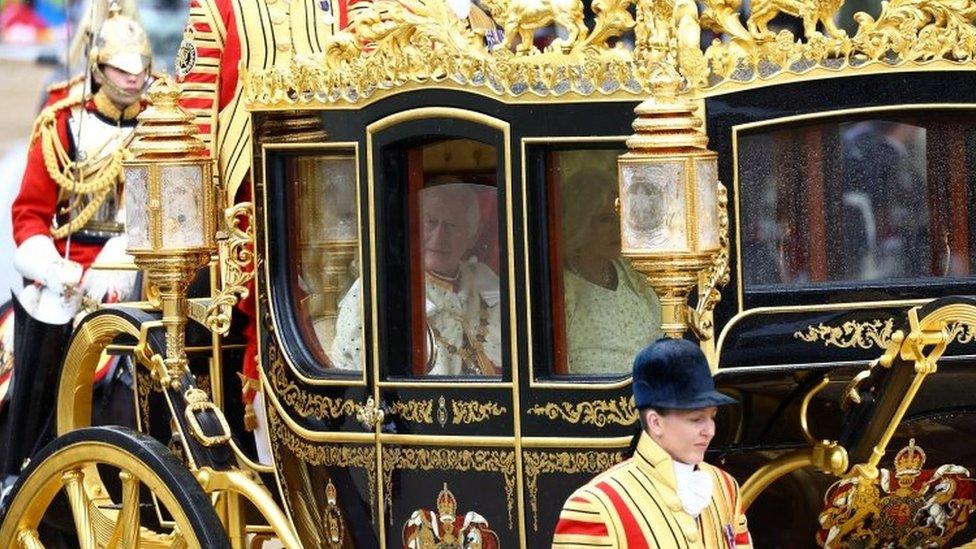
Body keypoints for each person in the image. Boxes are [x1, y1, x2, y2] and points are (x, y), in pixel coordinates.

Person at [0, 4, 150, 486]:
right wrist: (51, 266)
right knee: (50, 313)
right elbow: (29, 215)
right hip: (67, 265)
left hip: (138, 261)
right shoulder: (62, 124)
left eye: (140, 71)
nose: (133, 81)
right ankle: (20, 464)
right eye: (121, 72)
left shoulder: (158, 123)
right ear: (98, 68)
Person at [552, 338, 752, 548]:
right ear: (655, 422)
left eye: (712, 416)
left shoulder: (726, 487)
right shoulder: (595, 506)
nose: (710, 431)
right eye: (696, 419)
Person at [332, 182, 502, 376]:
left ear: (473, 235)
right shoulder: (377, 291)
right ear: (413, 226)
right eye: (430, 222)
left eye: (451, 225)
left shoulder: (483, 280)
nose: (439, 238)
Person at [560, 169, 661, 375]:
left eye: (620, 217)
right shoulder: (564, 288)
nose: (618, 228)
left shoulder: (633, 274)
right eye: (605, 219)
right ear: (580, 221)